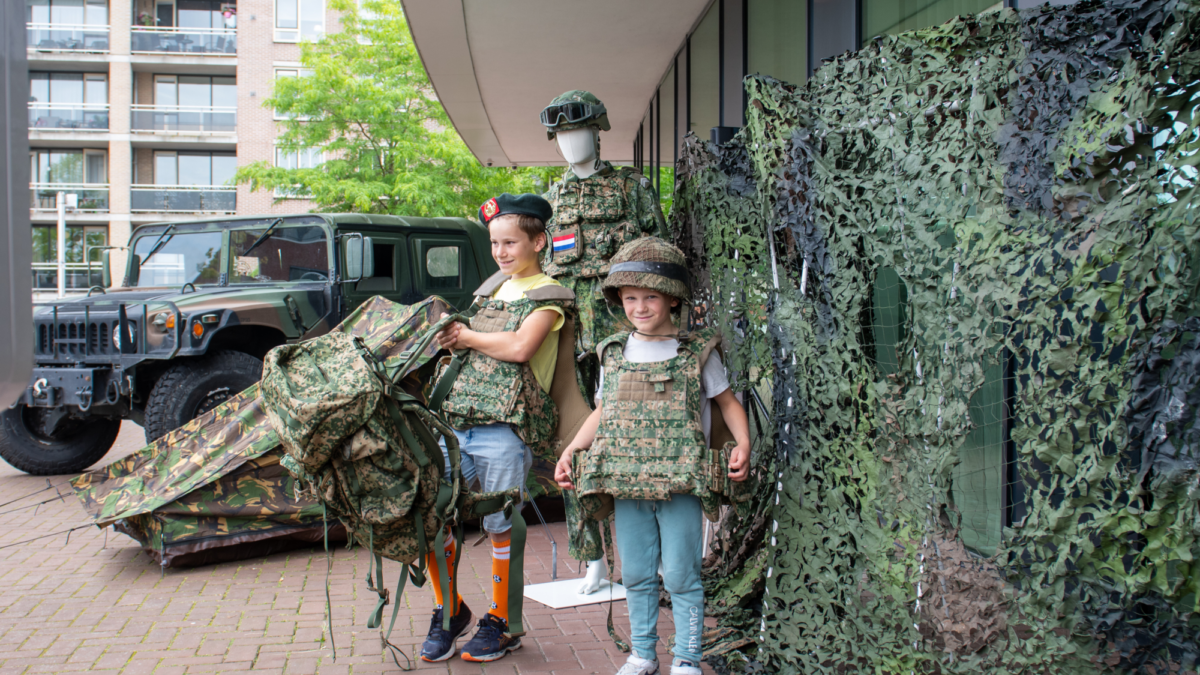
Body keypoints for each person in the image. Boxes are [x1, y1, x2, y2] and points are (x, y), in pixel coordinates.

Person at [554, 237, 751, 675]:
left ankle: (687, 657)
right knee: (638, 576)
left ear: (672, 299)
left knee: (682, 577)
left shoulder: (697, 352)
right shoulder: (614, 353)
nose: (639, 307)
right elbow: (604, 414)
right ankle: (642, 653)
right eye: (629, 298)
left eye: (649, 297)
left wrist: (744, 444)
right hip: (627, 486)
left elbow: (727, 403)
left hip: (680, 485)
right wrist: (572, 449)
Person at [421, 193, 575, 663]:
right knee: (431, 511)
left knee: (501, 523)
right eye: (494, 243)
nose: (501, 252)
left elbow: (519, 347)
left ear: (539, 241)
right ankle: (449, 611)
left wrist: (465, 335)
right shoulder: (489, 291)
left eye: (511, 242)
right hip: (458, 424)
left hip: (506, 431)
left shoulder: (550, 297)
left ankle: (503, 622)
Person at [540, 89, 669, 592]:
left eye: (578, 130)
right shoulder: (552, 197)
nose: (570, 143)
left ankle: (653, 552)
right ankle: (593, 555)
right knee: (575, 442)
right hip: (571, 336)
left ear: (598, 130)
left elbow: (661, 257)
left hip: (625, 332)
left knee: (643, 434)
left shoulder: (631, 187)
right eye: (561, 135)